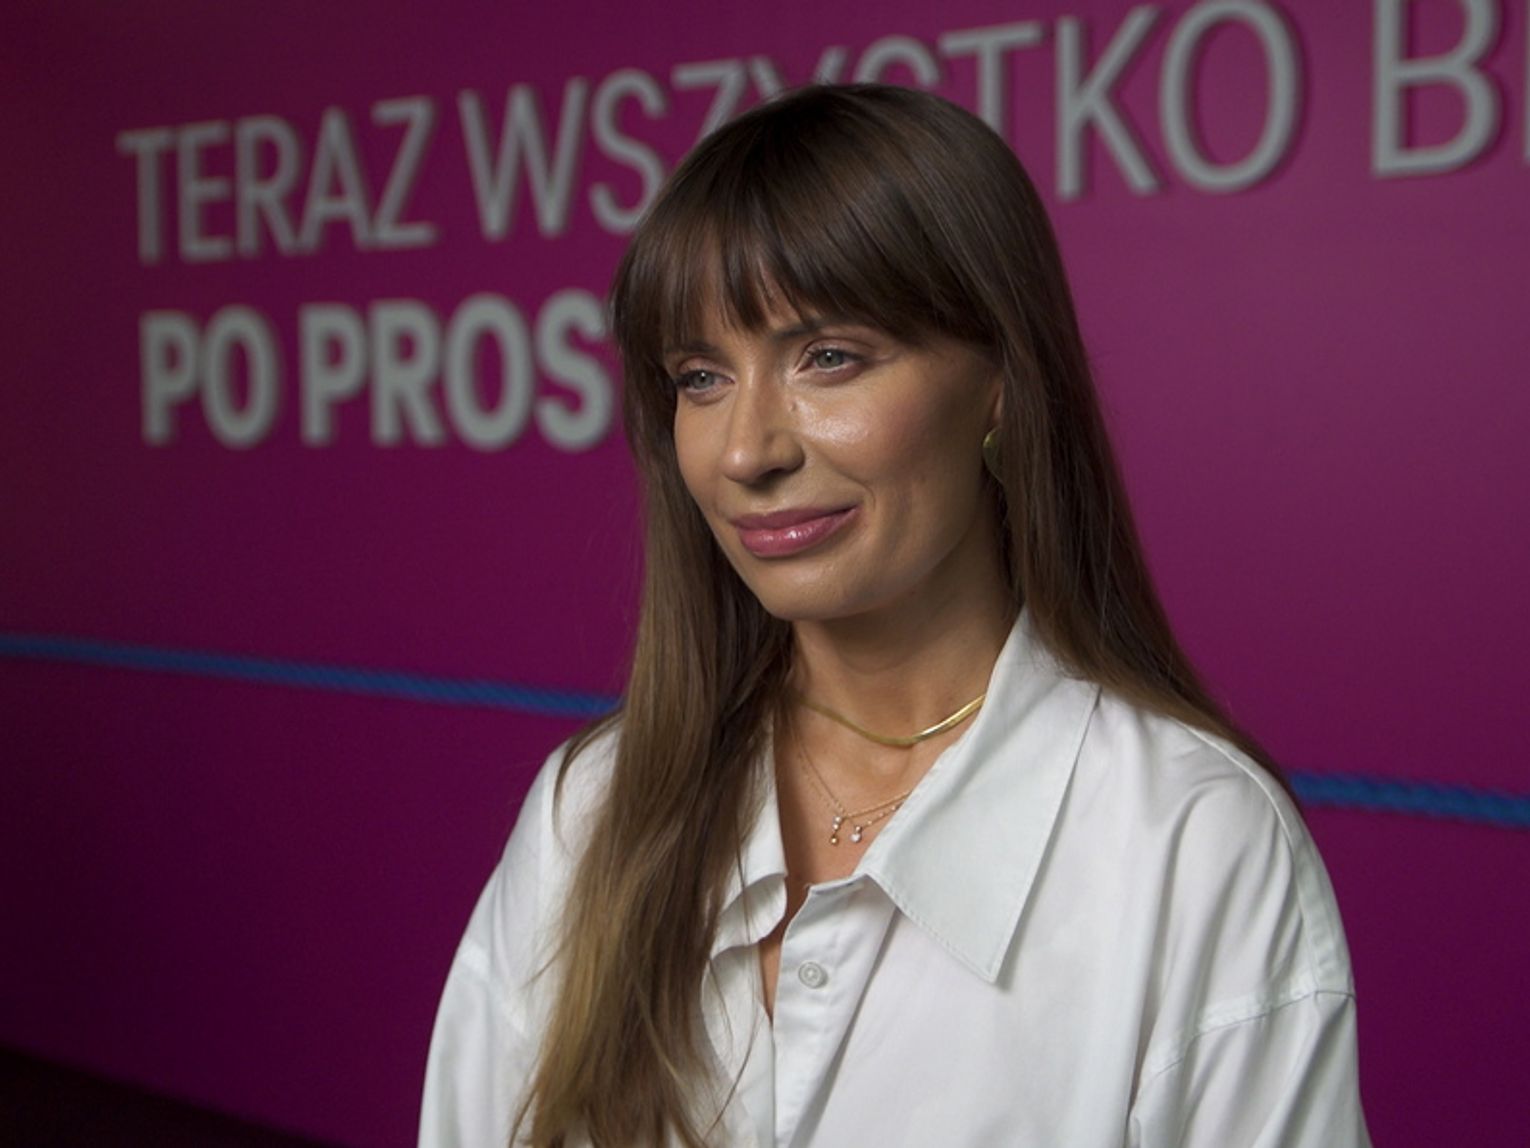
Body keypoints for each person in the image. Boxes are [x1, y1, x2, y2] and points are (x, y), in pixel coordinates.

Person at [418, 84, 1371, 1147]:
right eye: (700, 377)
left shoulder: (1192, 841)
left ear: (1002, 379)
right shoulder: (589, 808)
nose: (747, 450)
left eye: (829, 357)